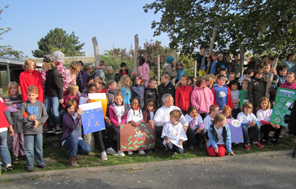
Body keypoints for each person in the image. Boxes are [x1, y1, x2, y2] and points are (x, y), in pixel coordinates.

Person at [18, 85, 48, 172]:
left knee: (39, 148)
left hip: (38, 130)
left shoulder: (41, 104)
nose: (31, 97)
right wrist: (28, 118)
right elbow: (19, 117)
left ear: (37, 95)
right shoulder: (24, 104)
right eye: (29, 95)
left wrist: (39, 121)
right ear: (27, 95)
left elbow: (45, 115)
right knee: (29, 149)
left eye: (33, 95)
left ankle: (40, 162)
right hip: (28, 131)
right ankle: (30, 164)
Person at [62, 100, 91, 167]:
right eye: (69, 108)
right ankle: (72, 158)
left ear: (75, 108)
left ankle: (73, 151)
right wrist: (78, 117)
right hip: (68, 139)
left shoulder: (79, 114)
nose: (71, 110)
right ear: (66, 109)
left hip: (79, 138)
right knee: (74, 137)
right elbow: (72, 126)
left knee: (87, 149)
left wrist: (88, 104)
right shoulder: (65, 116)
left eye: (72, 108)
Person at [3, 82, 25, 163]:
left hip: (21, 121)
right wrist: (16, 107)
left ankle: (23, 153)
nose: (13, 90)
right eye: (11, 88)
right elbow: (7, 109)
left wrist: (14, 107)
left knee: (22, 138)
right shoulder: (7, 98)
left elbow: (22, 107)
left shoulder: (21, 97)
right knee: (14, 139)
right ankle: (15, 154)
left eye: (14, 88)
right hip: (12, 121)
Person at [43, 54, 64, 134]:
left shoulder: (55, 73)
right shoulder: (48, 72)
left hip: (54, 95)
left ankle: (58, 125)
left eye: (45, 63)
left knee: (55, 111)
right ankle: (52, 124)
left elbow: (60, 85)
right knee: (47, 110)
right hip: (48, 94)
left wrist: (61, 97)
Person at [108, 92, 129, 157]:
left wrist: (122, 124)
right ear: (114, 99)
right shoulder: (111, 107)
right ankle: (120, 149)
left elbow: (125, 116)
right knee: (119, 133)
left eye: (119, 99)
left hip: (123, 124)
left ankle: (128, 148)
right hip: (116, 125)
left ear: (122, 99)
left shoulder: (126, 106)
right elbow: (111, 117)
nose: (118, 100)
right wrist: (117, 123)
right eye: (116, 99)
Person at [0, 100, 14, 171]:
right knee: (3, 146)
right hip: (3, 128)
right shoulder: (2, 103)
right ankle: (8, 164)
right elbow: (7, 115)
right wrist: (10, 127)